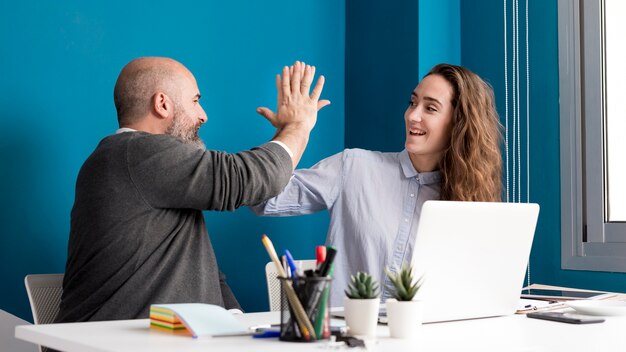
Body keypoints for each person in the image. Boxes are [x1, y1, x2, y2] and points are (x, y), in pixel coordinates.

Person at [55, 57, 330, 323]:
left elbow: (196, 266)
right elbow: (243, 179)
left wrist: (234, 318)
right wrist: (298, 126)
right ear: (162, 104)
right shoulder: (133, 152)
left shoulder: (137, 165)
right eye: (195, 101)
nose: (203, 115)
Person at [252, 63, 502, 306]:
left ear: (459, 124)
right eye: (413, 103)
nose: (413, 116)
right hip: (346, 341)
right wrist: (293, 130)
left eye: (431, 109)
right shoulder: (354, 166)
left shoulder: (467, 202)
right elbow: (263, 199)